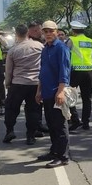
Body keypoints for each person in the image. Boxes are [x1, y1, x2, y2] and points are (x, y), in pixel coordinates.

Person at [35, 20, 71, 168]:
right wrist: (39, 91)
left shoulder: (61, 48)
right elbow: (43, 71)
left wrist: (61, 91)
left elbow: (64, 71)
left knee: (60, 125)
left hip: (57, 92)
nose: (48, 34)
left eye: (51, 31)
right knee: (51, 124)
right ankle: (54, 151)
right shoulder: (45, 49)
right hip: (47, 93)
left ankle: (63, 156)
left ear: (56, 32)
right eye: (46, 31)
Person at [3, 24, 43, 145]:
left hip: (18, 83)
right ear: (28, 33)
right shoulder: (40, 46)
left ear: (16, 34)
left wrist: (7, 83)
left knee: (11, 109)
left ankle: (9, 131)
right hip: (35, 83)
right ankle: (30, 136)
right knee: (33, 110)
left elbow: (9, 71)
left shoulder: (13, 50)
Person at [68, 21, 92, 130]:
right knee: (87, 98)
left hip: (76, 71)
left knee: (68, 96)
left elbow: (66, 52)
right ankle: (86, 123)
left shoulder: (72, 40)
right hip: (89, 71)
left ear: (73, 31)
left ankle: (75, 119)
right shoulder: (91, 41)